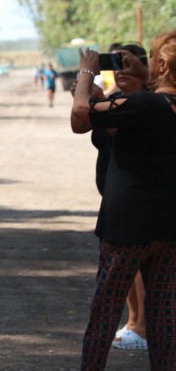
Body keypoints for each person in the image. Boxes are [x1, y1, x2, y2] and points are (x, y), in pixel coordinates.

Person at [56, 35, 176, 371]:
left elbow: (80, 117)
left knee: (106, 304)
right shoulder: (159, 104)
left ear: (161, 66)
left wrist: (86, 74)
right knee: (164, 307)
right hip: (169, 222)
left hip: (128, 222)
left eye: (150, 59)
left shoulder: (143, 103)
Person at [70, 44, 149, 351]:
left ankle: (141, 327)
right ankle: (133, 321)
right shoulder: (116, 100)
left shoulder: (144, 103)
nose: (120, 70)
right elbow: (83, 123)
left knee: (136, 266)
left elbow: (115, 131)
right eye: (115, 64)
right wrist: (97, 98)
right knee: (130, 268)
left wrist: (87, 82)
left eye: (126, 63)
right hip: (117, 195)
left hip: (139, 197)